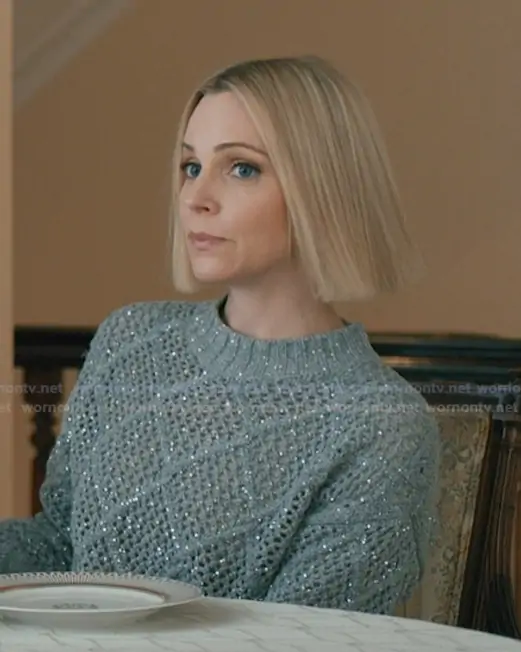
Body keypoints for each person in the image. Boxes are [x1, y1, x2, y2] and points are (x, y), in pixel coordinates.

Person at [0, 55, 440, 614]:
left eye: (242, 169)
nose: (195, 197)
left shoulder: (383, 426)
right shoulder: (129, 340)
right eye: (191, 166)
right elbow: (60, 546)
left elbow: (303, 647)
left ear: (323, 188)